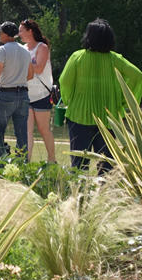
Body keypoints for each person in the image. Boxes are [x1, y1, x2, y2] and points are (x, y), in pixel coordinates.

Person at [59, 19, 142, 173]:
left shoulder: (77, 57)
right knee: (106, 164)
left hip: (79, 115)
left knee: (78, 164)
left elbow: (65, 82)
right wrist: (126, 101)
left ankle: (78, 195)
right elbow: (138, 76)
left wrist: (67, 99)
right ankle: (103, 195)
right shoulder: (115, 59)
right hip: (108, 117)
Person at [0, 21, 33, 160]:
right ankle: (23, 165)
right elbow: (30, 75)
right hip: (23, 95)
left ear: (6, 35)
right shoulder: (25, 50)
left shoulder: (3, 49)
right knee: (22, 133)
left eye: (0, 32)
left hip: (6, 94)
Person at [19, 19, 56, 163]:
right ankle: (26, 162)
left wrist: (22, 65)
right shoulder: (22, 48)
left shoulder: (42, 47)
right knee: (26, 131)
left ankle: (52, 161)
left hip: (42, 94)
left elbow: (39, 68)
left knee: (43, 129)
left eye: (21, 31)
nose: (19, 34)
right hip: (26, 94)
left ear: (30, 31)